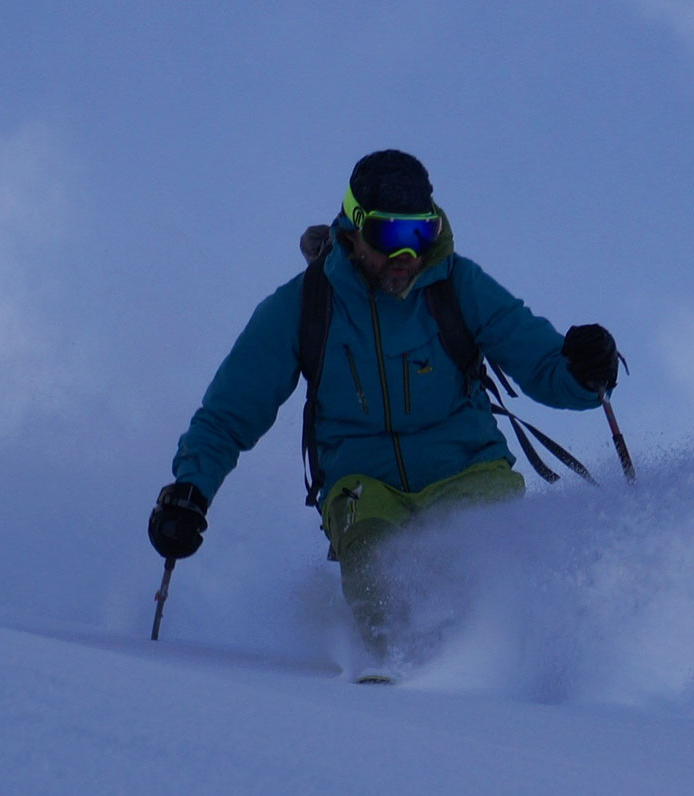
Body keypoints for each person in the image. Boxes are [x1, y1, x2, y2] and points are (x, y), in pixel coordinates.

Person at [148, 149, 619, 668]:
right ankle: (391, 684)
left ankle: (507, 674)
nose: (407, 255)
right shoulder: (306, 306)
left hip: (467, 467)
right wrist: (190, 491)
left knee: (479, 565)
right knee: (376, 575)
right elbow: (229, 411)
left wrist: (584, 370)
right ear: (353, 231)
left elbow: (544, 366)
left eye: (420, 234)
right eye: (390, 236)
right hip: (361, 483)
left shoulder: (458, 286)